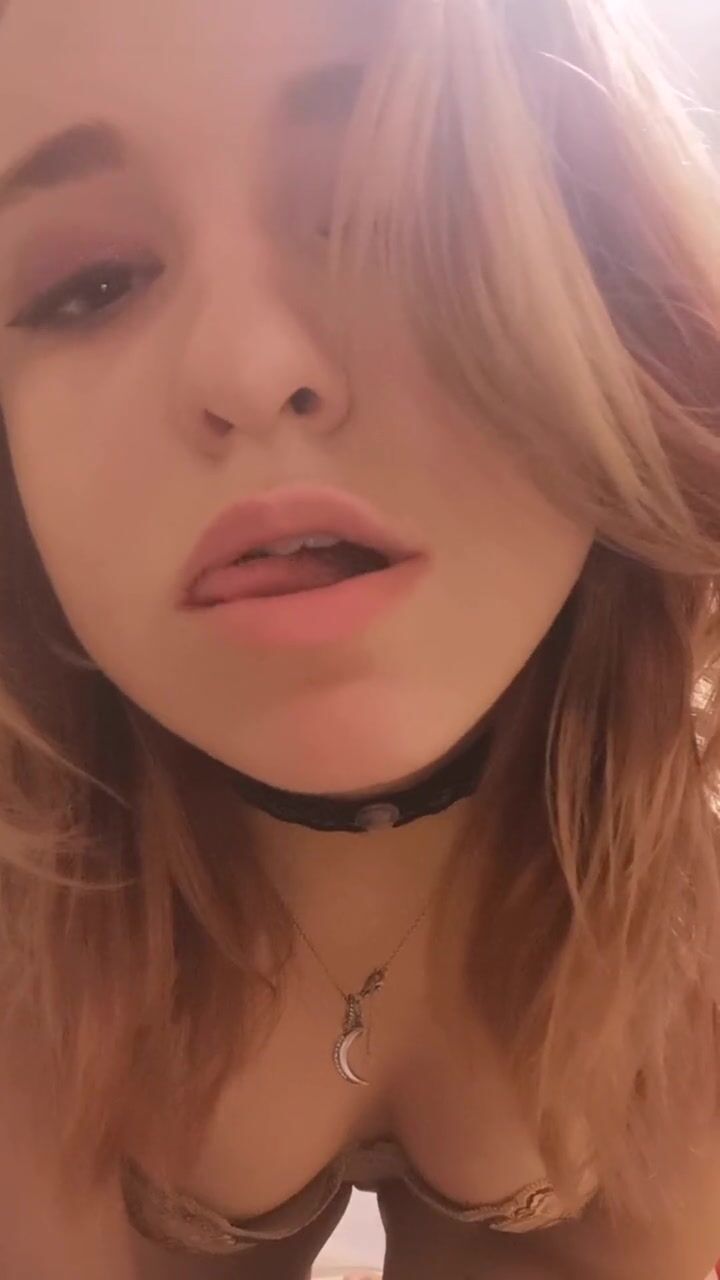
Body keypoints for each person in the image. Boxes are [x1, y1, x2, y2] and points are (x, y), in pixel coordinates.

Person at [0, 0, 718, 1276]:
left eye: (389, 216)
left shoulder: (689, 887)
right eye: (88, 284)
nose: (248, 364)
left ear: (615, 289)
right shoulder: (29, 934)